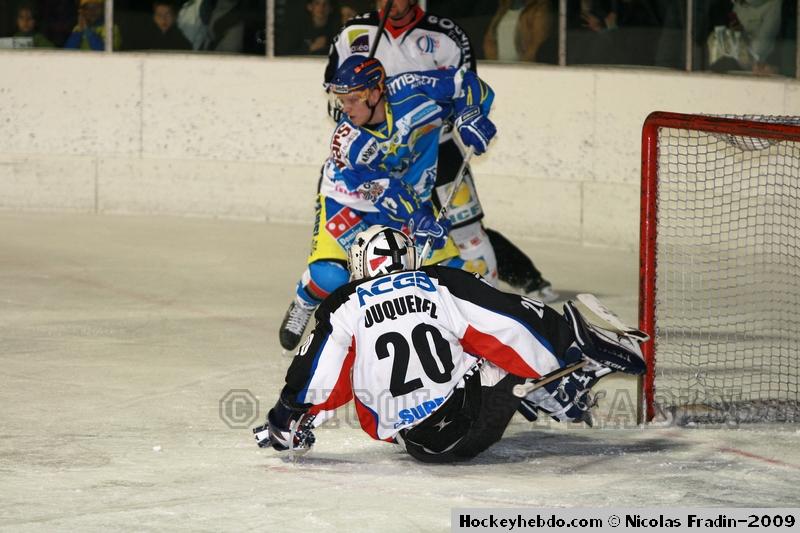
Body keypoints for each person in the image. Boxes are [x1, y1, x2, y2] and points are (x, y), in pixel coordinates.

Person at [255, 226, 647, 462]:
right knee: (483, 331)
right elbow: (506, 323)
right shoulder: (436, 281)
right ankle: (561, 379)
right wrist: (560, 345)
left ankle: (540, 388)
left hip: (421, 446)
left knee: (448, 344)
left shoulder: (343, 304)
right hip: (470, 417)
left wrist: (288, 417)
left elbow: (320, 376)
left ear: (358, 265)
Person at [324, 0, 558, 303]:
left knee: (465, 227)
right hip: (384, 157)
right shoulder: (352, 32)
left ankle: (512, 288)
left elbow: (465, 87)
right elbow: (335, 97)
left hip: (437, 145)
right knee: (398, 230)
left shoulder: (446, 35)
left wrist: (468, 115)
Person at [278, 55, 497, 352]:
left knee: (451, 272)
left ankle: (474, 332)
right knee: (331, 277)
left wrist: (469, 113)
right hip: (349, 201)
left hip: (410, 197)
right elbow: (383, 190)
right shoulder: (348, 141)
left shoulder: (413, 90)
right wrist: (417, 216)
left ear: (375, 92)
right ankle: (305, 299)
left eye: (352, 100)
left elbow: (466, 82)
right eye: (341, 100)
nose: (345, 108)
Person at [483, 0, 554, 62]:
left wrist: (521, 69)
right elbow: (489, 41)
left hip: (523, 69)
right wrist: (495, 67)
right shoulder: (503, 7)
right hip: (500, 69)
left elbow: (535, 47)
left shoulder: (539, 9)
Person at [126, 1, 192, 51]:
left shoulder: (181, 41)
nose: (163, 19)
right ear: (154, 17)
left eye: (167, 15)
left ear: (174, 17)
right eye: (159, 15)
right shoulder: (143, 36)